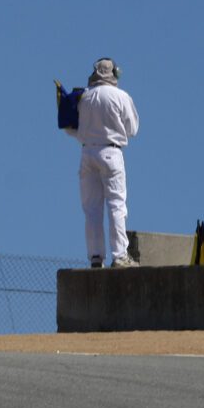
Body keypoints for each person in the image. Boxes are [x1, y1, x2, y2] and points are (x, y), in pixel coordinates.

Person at [66, 58, 140, 268]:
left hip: (87, 153)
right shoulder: (121, 96)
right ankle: (120, 256)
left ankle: (96, 257)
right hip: (111, 152)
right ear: (113, 74)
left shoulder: (84, 97)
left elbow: (71, 128)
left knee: (92, 209)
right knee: (116, 204)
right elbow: (133, 129)